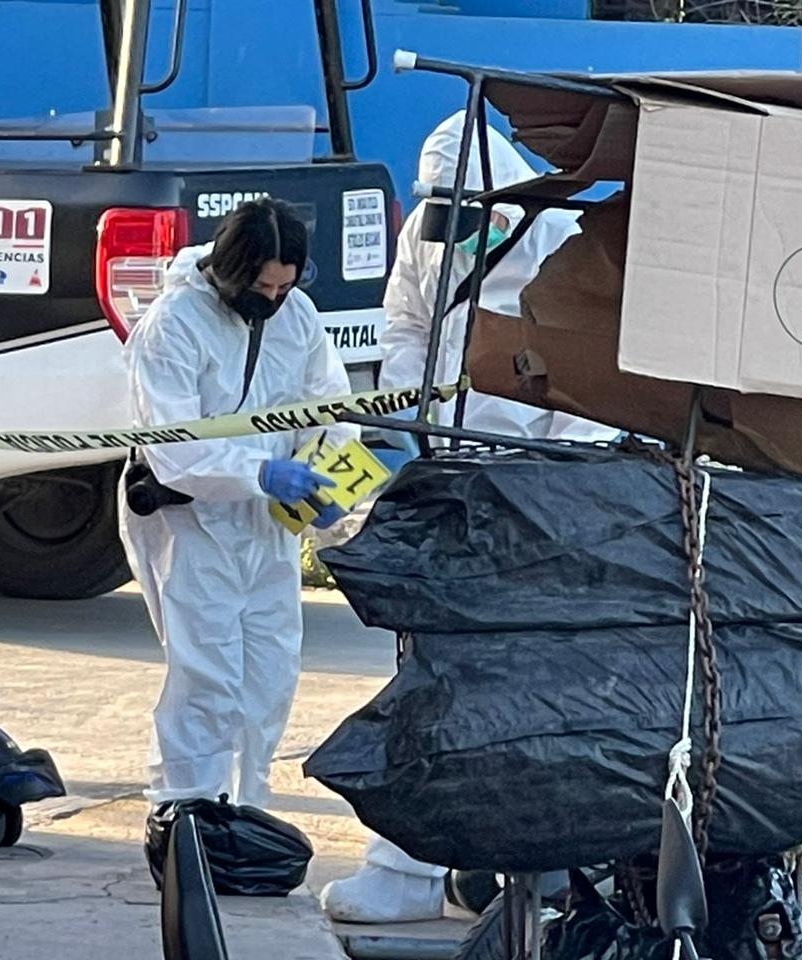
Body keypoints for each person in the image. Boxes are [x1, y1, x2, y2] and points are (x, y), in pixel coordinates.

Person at [319, 112, 621, 925]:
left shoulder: (562, 241)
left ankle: (534, 862)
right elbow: (406, 325)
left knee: (529, 681)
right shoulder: (428, 231)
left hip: (528, 491)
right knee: (424, 671)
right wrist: (415, 422)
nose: (450, 239)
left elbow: (593, 387)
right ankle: (410, 865)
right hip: (445, 476)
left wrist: (550, 484)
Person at [118, 198, 358, 812]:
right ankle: (186, 809)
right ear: (229, 270)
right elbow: (173, 450)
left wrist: (330, 479)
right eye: (261, 284)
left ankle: (247, 806)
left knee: (271, 673)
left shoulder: (297, 315)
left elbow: (329, 402)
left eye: (284, 284)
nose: (272, 298)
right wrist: (259, 472)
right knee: (207, 676)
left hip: (267, 524)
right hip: (189, 521)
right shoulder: (173, 325)